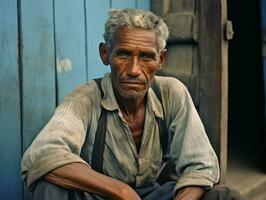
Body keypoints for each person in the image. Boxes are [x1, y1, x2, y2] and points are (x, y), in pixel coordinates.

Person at [21, 8, 244, 200]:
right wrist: (122, 192)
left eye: (147, 57)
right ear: (105, 54)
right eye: (124, 54)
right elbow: (42, 155)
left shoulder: (171, 93)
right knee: (49, 187)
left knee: (224, 195)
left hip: (152, 194)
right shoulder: (86, 98)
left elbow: (201, 164)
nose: (134, 70)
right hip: (100, 195)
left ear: (161, 60)